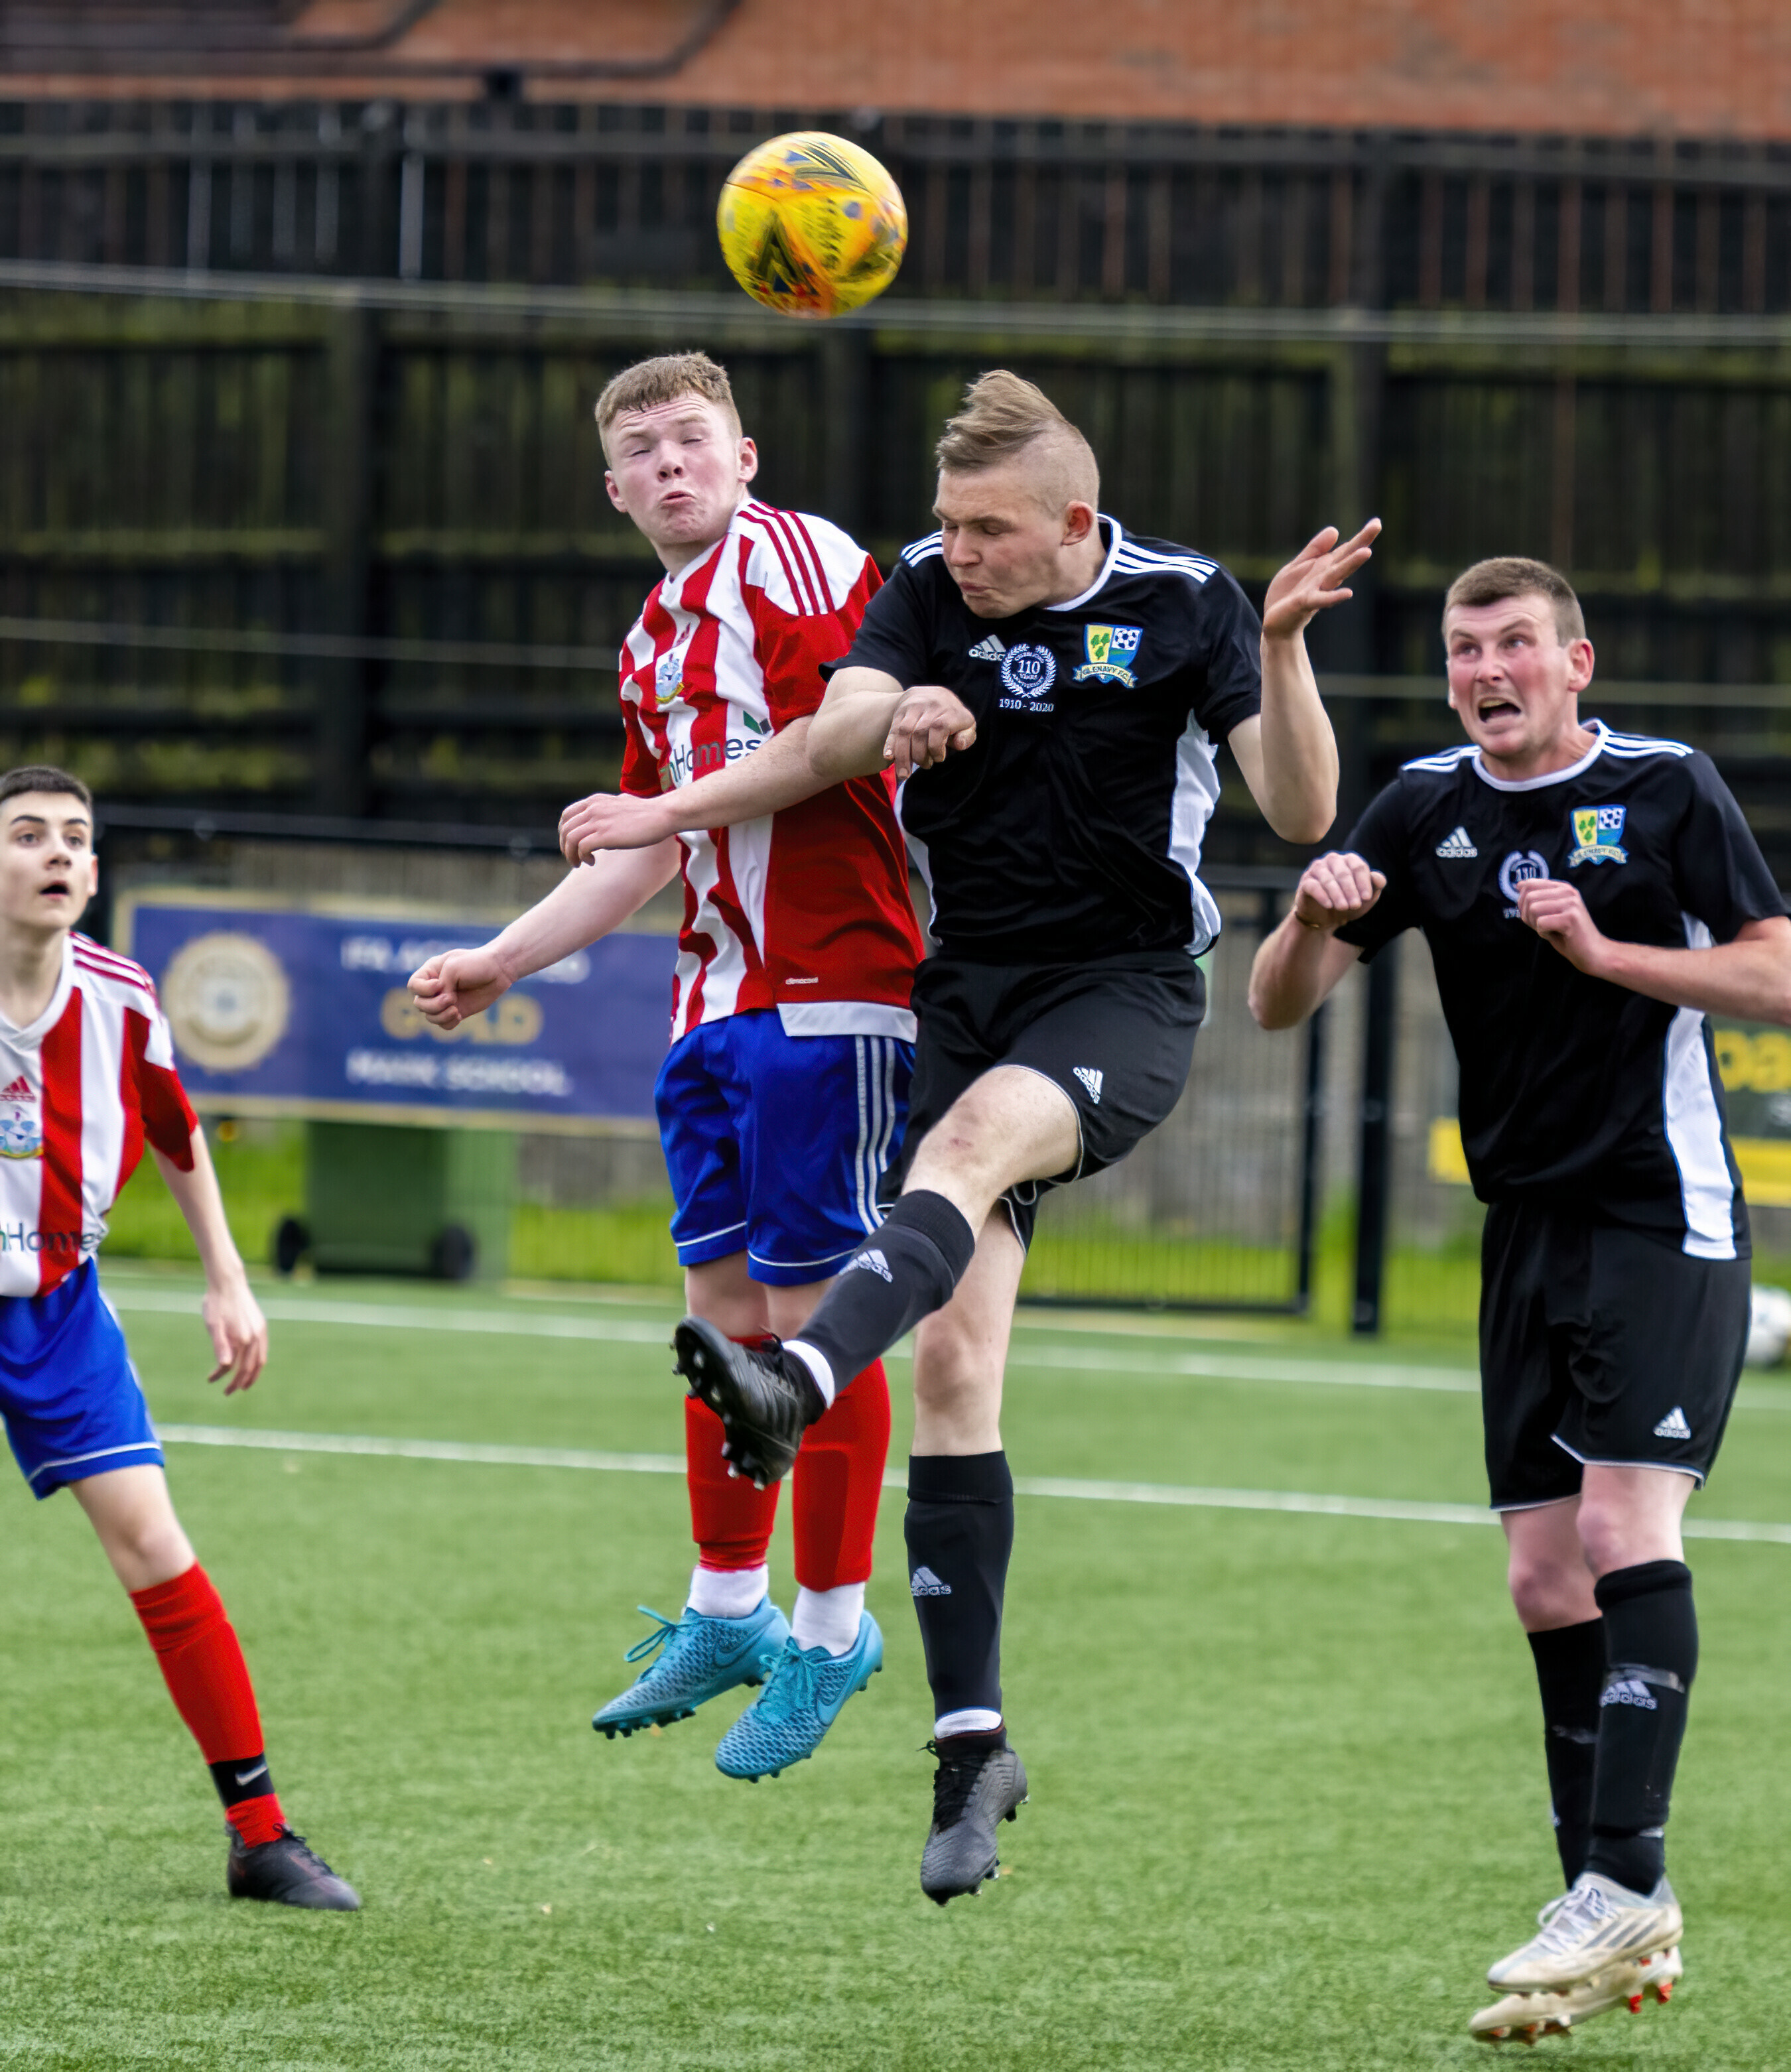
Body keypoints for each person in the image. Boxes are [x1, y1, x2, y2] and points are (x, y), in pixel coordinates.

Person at [670, 369, 1373, 1900]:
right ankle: (970, 1742)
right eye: (945, 525)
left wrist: (1279, 647)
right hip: (966, 986)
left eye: (989, 528)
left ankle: (794, 1377)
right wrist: (892, 707)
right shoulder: (926, 589)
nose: (958, 551)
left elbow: (1305, 808)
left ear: (1073, 519)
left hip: (1121, 992)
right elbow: (843, 713)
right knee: (953, 1362)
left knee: (975, 1142)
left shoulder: (1186, 602)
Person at [1245, 557, 1791, 2041]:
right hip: (1525, 1231)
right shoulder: (1422, 807)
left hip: (1658, 1210)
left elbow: (1780, 973)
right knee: (1546, 1581)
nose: (1484, 668)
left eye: (1512, 646)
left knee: (1625, 1529)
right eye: (1460, 649)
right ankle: (1599, 1922)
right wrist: (1306, 915)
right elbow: (1277, 1004)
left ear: (1576, 663)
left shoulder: (1670, 786)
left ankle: (1624, 1879)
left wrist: (1609, 952)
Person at [408, 352, 922, 1780]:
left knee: (816, 1309)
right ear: (615, 487)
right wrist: (503, 958)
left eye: (696, 438)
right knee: (721, 1311)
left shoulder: (800, 557)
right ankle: (728, 1606)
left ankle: (833, 1631)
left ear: (746, 455)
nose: (673, 464)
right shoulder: (648, 640)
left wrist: (655, 806)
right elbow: (641, 850)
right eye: (645, 450)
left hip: (833, 985)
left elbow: (841, 741)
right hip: (710, 1002)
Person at [0, 765, 358, 1910]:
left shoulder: (120, 995)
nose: (56, 853)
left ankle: (260, 1835)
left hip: (58, 1301)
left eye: (74, 838)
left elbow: (173, 1125)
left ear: (96, 872)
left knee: (155, 1546)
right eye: (26, 836)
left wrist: (228, 1278)